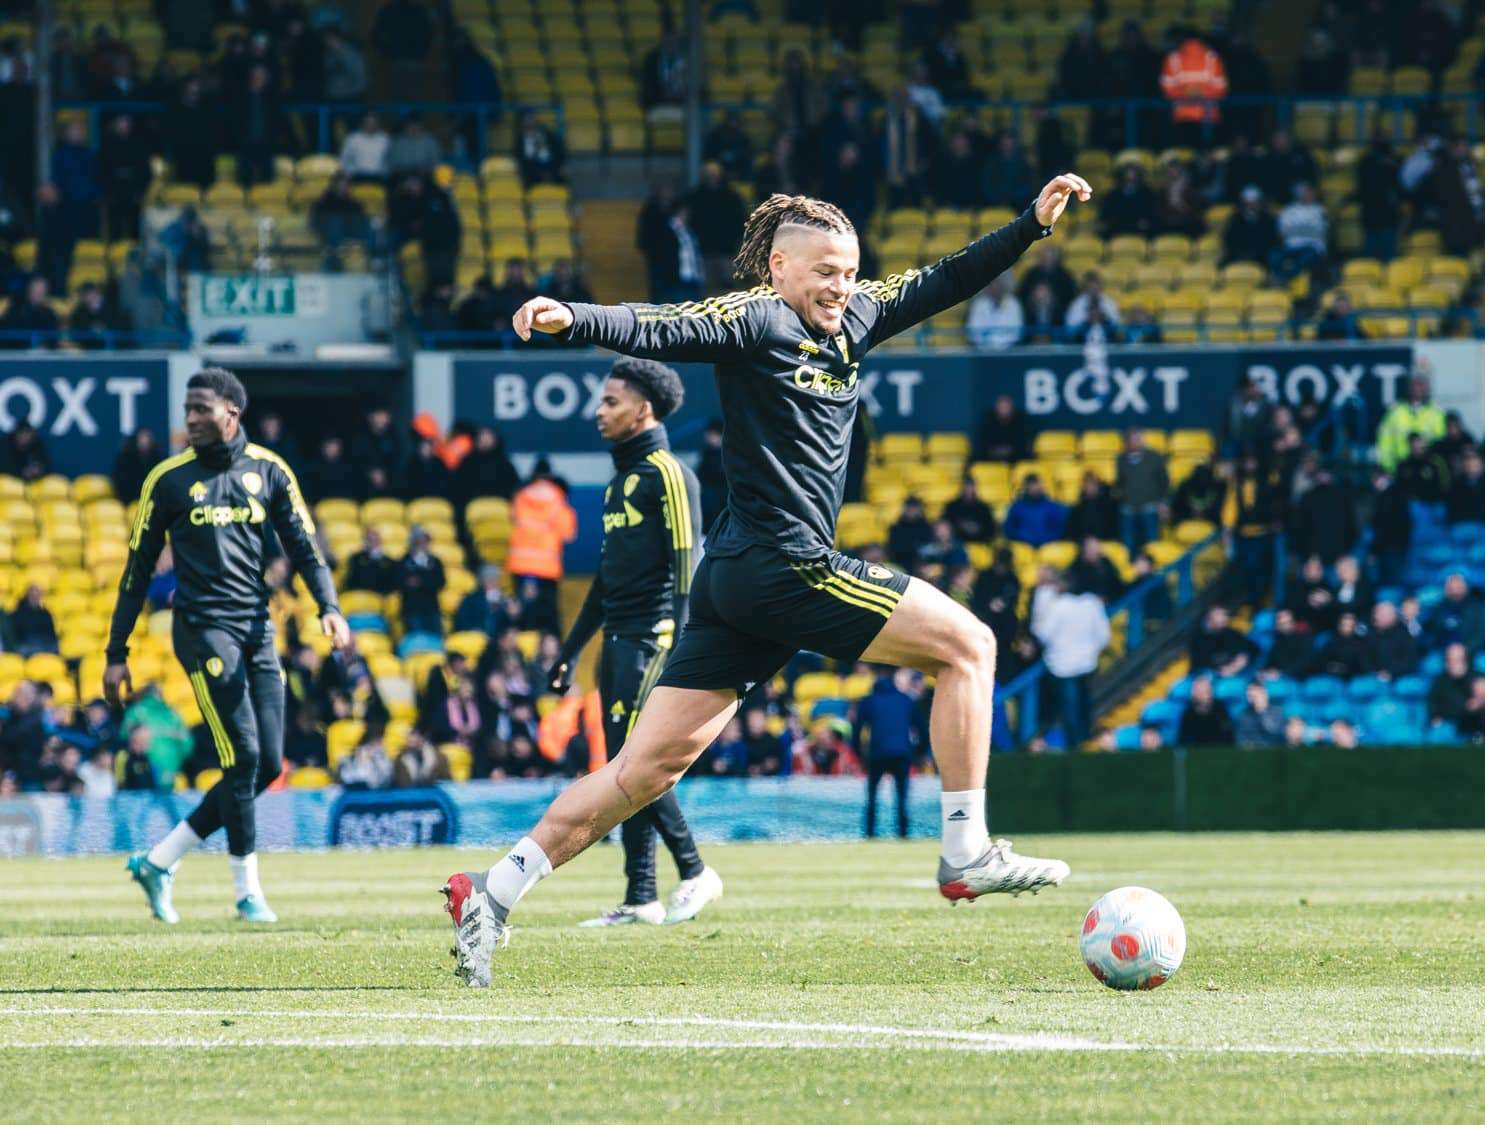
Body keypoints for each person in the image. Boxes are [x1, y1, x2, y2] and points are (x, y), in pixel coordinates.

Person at [443, 175, 1096, 985]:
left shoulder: (856, 317)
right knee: (970, 645)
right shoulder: (755, 316)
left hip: (736, 583)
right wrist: (573, 315)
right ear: (779, 267)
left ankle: (492, 892)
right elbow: (665, 325)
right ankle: (965, 850)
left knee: (641, 774)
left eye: (850, 270)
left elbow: (943, 279)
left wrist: (1029, 225)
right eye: (824, 269)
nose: (841, 285)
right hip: (780, 563)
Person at [109, 369, 350, 926]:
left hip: (257, 629)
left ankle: (158, 861)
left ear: (231, 414)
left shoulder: (269, 471)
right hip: (200, 630)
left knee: (266, 765)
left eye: (201, 409)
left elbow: (306, 548)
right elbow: (136, 571)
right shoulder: (167, 480)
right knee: (240, 757)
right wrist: (115, 652)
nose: (190, 419)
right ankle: (247, 894)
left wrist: (329, 607)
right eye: (187, 410)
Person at [543, 358, 719, 927]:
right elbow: (604, 582)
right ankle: (641, 895)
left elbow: (686, 564)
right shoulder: (621, 481)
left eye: (611, 402)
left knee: (634, 766)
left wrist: (682, 642)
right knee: (626, 768)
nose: (599, 411)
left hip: (653, 638)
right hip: (618, 641)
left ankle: (694, 871)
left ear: (643, 410)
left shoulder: (669, 473)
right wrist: (570, 652)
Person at [1031, 568, 1111, 750]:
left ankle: (1076, 748)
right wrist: (1089, 651)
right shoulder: (1092, 603)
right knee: (1084, 708)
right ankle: (1087, 744)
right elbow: (1104, 636)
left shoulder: (1058, 606)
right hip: (1087, 664)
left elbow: (1042, 634)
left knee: (1070, 712)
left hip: (1062, 667)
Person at [852, 666, 921, 838]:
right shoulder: (905, 700)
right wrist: (917, 754)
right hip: (901, 753)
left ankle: (870, 834)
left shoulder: (868, 701)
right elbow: (921, 729)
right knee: (902, 798)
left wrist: (859, 755)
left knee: (872, 797)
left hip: (877, 753)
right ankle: (903, 834)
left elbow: (857, 731)